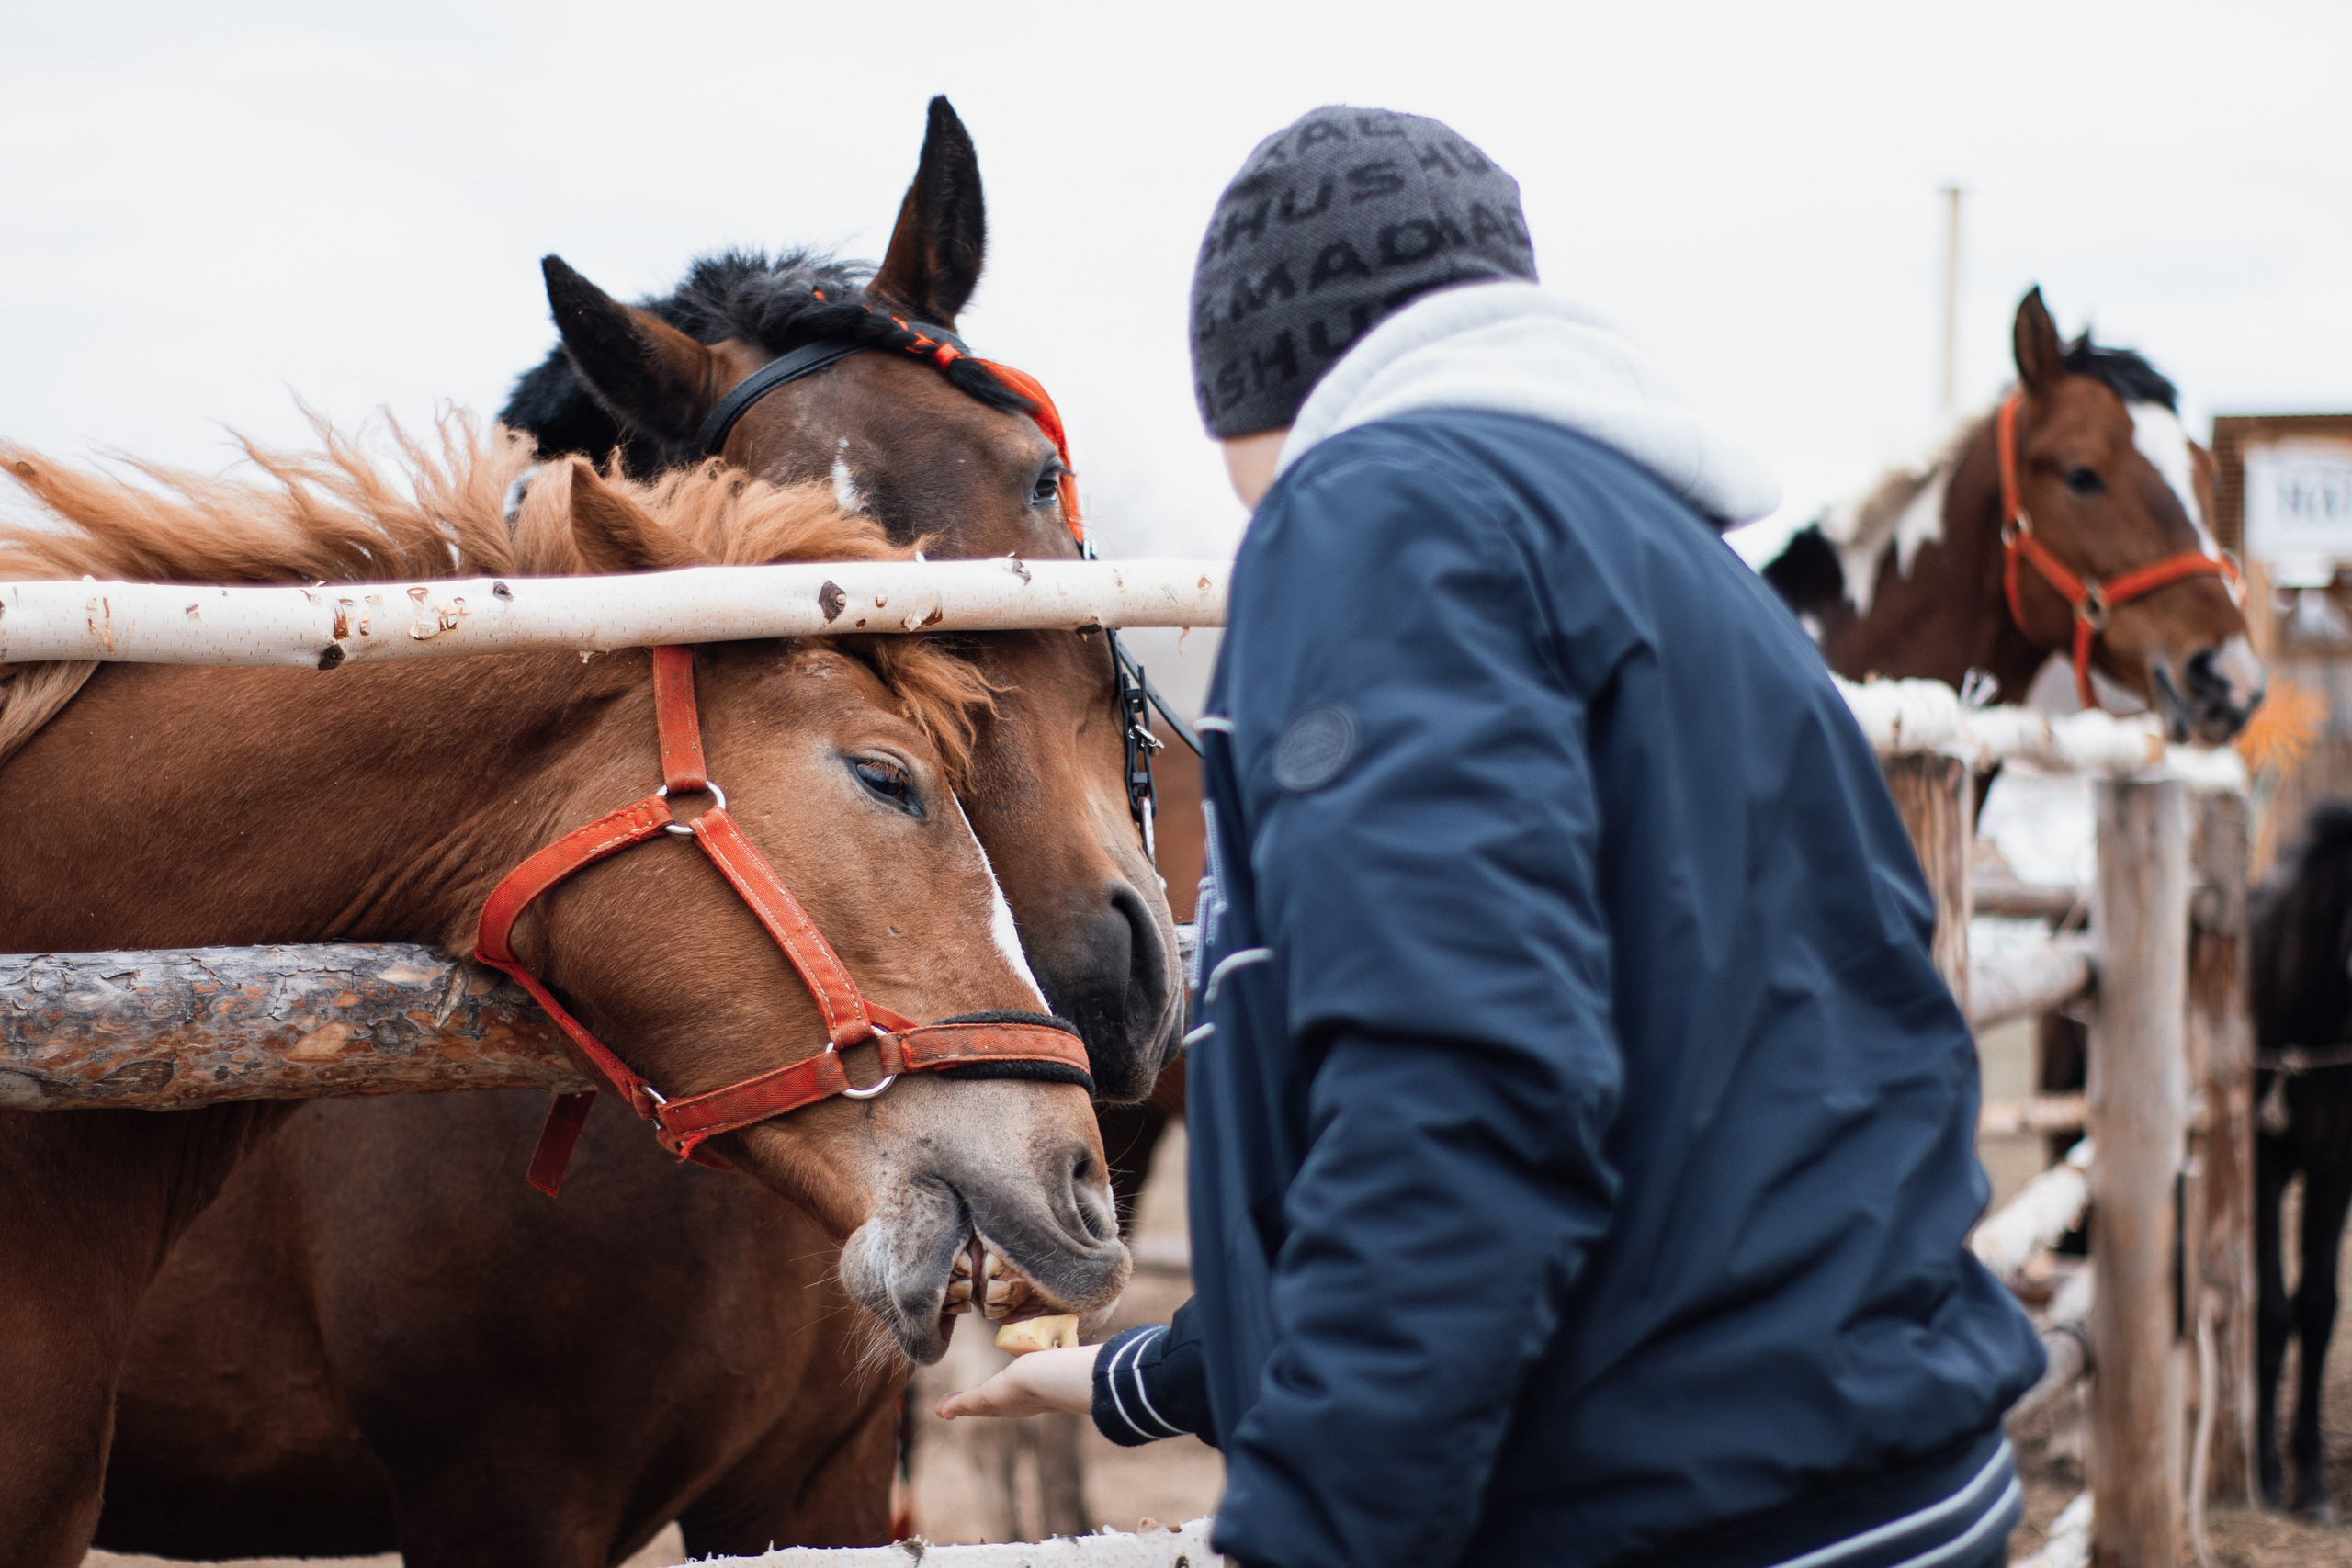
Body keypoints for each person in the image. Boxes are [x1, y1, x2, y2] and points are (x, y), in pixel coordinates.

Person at [941, 105, 2043, 1568]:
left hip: (1678, 1510)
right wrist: (1176, 1373)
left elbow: (1462, 1093)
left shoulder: (1374, 515)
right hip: (1870, 1471)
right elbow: (1679, 1079)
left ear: (1263, 374)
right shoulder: (1673, 561)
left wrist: (1315, 1532)